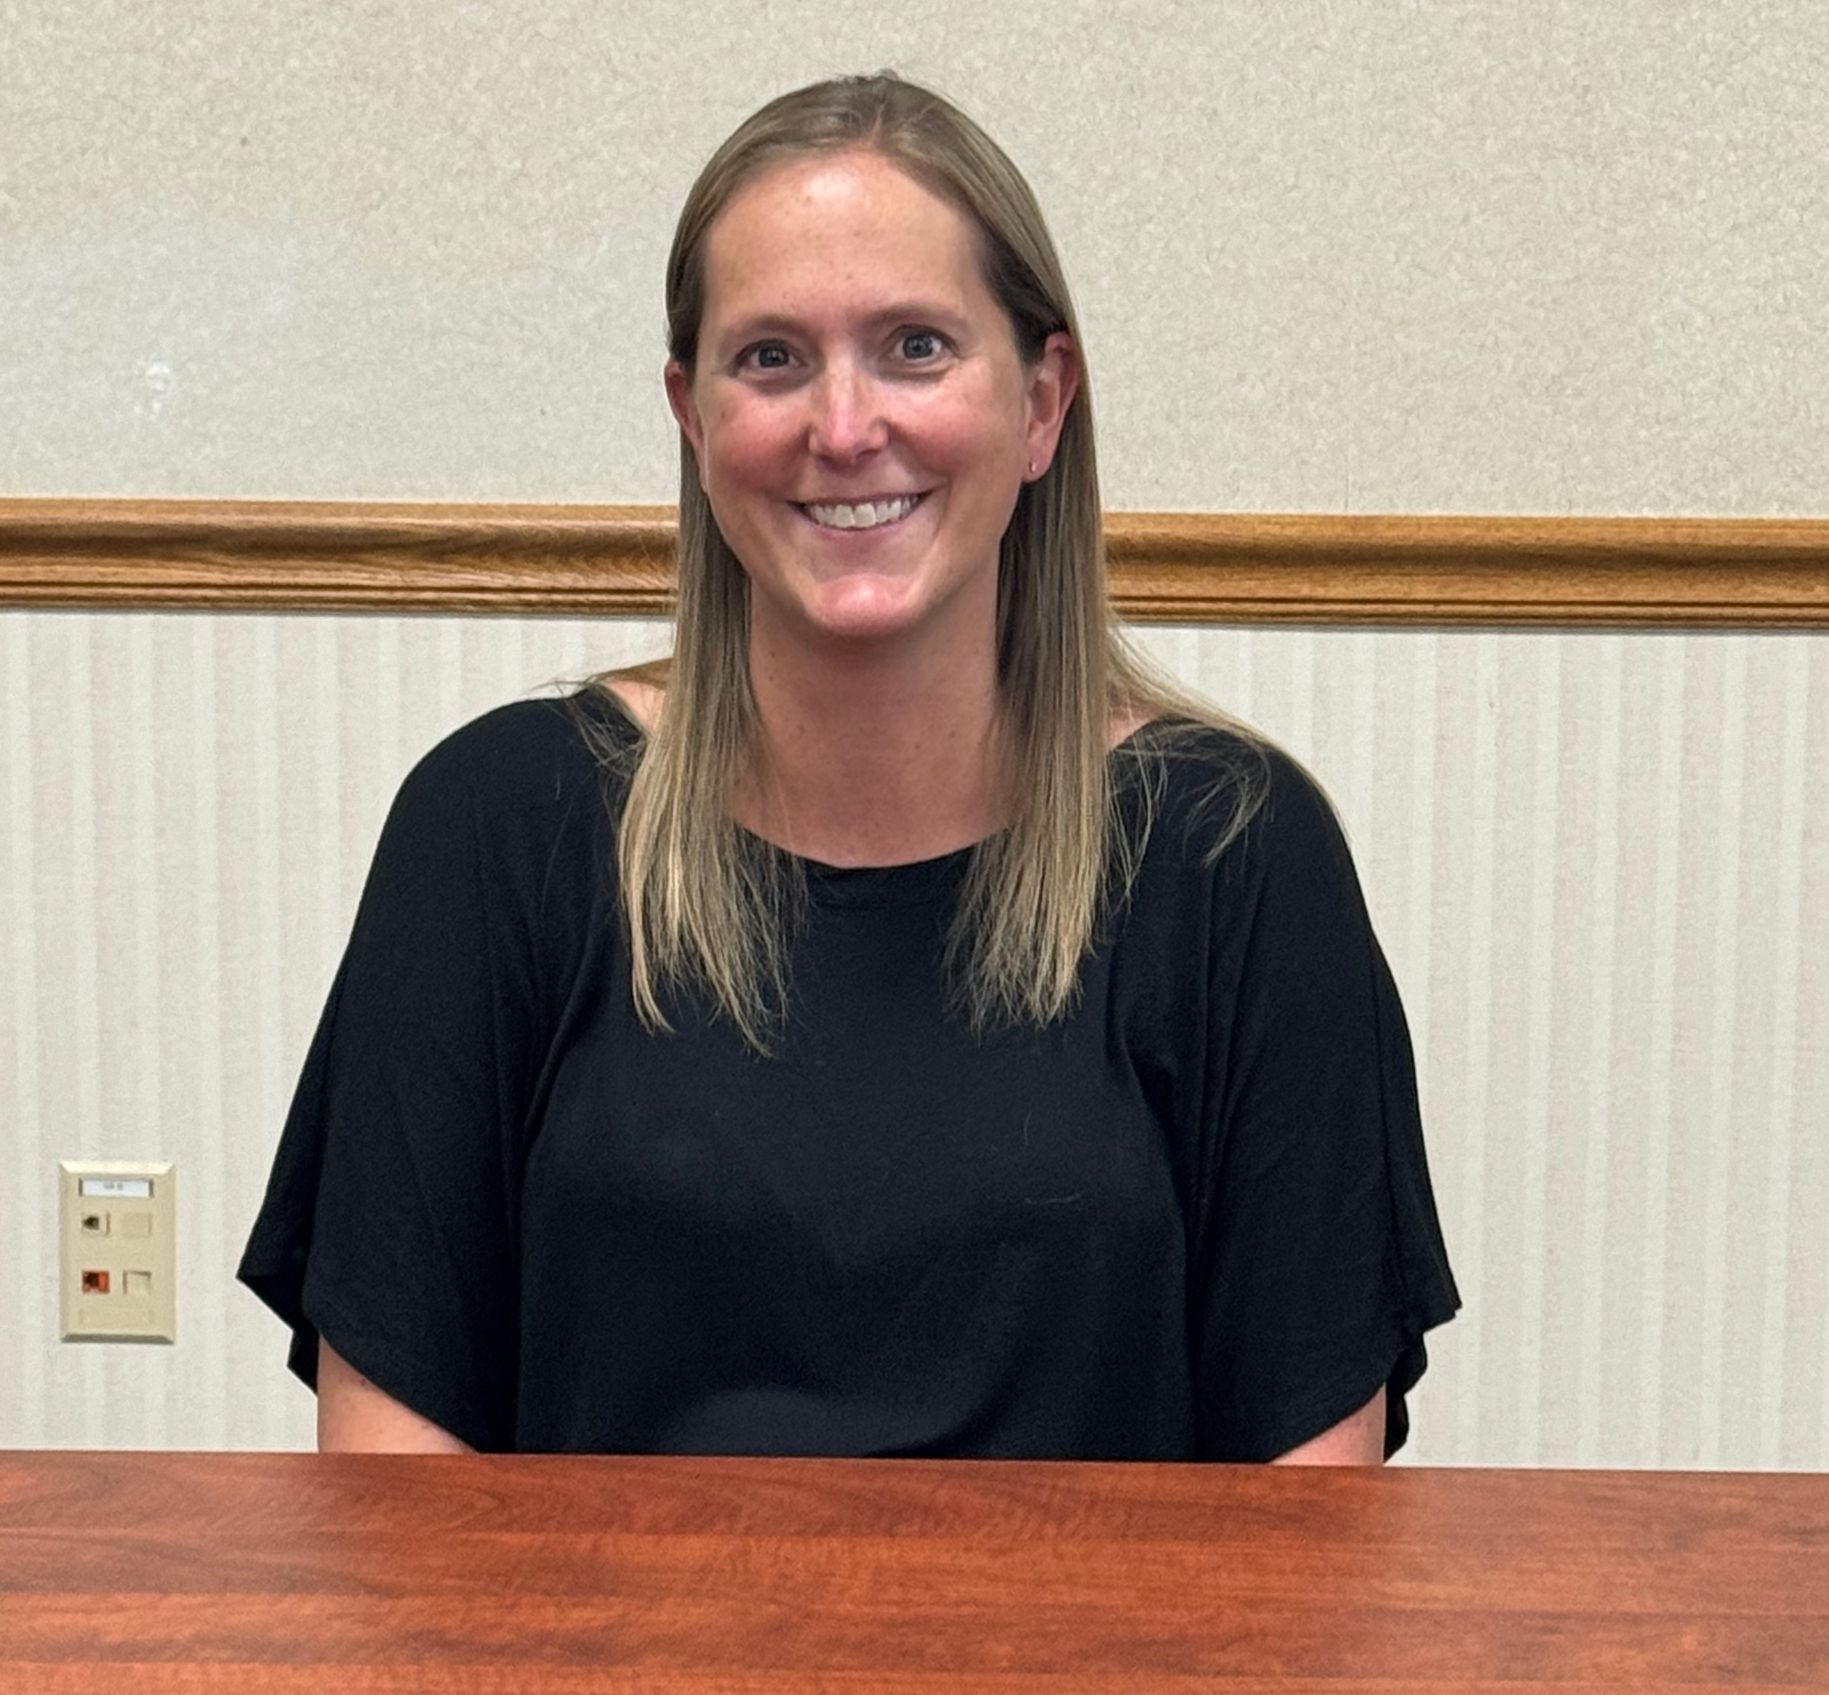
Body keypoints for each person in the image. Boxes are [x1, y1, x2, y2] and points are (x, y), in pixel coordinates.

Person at [241, 72, 1458, 1459]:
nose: (842, 426)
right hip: (593, 1682)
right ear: (693, 419)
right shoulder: (496, 829)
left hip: (1102, 1683)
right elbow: (394, 1501)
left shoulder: (1237, 859)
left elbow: (1311, 1525)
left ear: (1043, 404)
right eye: (770, 359)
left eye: (916, 347)